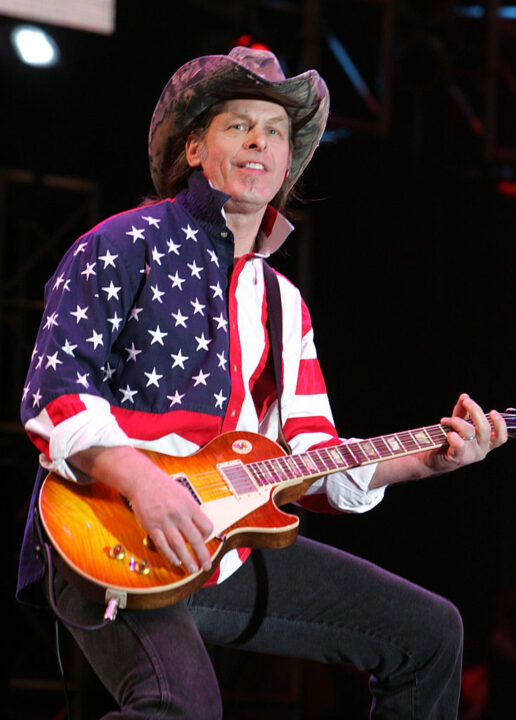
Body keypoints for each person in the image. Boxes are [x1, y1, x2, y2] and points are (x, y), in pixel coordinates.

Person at [17, 46, 507, 719]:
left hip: (224, 549)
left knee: (430, 635)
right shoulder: (122, 243)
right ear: (193, 147)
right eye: (238, 124)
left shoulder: (284, 303)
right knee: (181, 708)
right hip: (110, 532)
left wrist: (426, 461)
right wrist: (145, 484)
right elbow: (53, 390)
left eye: (275, 131)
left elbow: (313, 462)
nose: (260, 141)